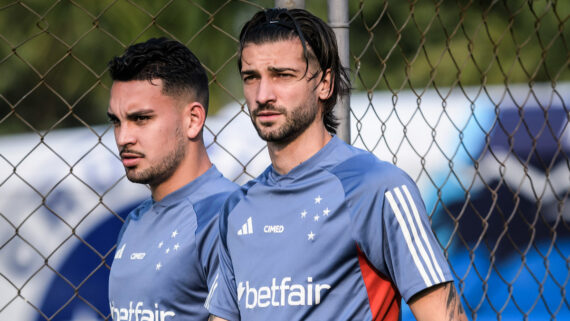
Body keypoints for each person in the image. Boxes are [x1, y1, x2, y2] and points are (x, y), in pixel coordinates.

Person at [206, 8, 468, 321]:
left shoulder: (377, 187)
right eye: (252, 78)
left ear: (325, 84)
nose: (263, 95)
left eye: (283, 75)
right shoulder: (236, 209)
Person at [106, 37, 238, 320]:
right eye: (116, 121)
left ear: (192, 120)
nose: (123, 137)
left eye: (141, 118)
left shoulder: (229, 216)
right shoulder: (135, 221)